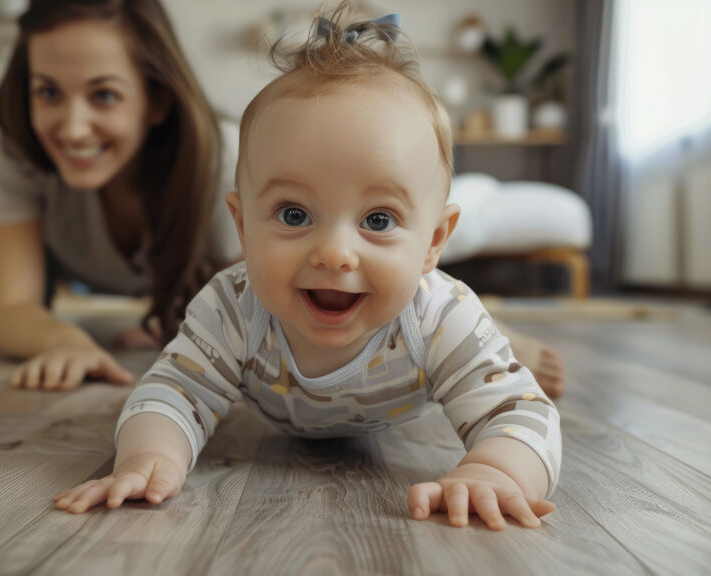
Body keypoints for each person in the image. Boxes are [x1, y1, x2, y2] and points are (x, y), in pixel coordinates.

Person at [53, 3, 561, 531]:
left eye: (379, 219)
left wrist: (497, 471)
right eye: (294, 215)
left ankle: (501, 338)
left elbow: (521, 411)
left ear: (433, 242)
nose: (335, 253)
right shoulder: (232, 306)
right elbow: (171, 391)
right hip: (274, 412)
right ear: (243, 227)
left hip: (401, 408)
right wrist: (147, 458)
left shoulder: (438, 314)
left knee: (485, 364)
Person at [0, 0, 227, 391]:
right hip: (49, 261)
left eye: (104, 95)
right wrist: (56, 338)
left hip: (180, 279)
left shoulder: (222, 161)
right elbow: (15, 308)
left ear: (158, 101)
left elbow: (260, 313)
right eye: (48, 91)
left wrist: (185, 325)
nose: (73, 130)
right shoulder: (16, 142)